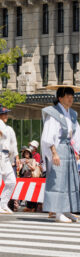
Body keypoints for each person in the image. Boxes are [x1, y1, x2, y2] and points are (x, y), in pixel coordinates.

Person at [41, 85, 80, 223]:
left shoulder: (72, 114)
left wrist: (78, 151)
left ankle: (66, 209)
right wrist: (54, 153)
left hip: (68, 149)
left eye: (72, 96)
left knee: (69, 181)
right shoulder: (53, 113)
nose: (71, 99)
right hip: (58, 148)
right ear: (60, 98)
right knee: (58, 181)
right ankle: (57, 212)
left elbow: (76, 135)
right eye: (68, 96)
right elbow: (48, 135)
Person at [0, 106, 19, 214]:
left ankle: (3, 203)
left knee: (12, 181)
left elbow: (13, 143)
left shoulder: (9, 128)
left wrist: (16, 156)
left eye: (6, 114)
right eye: (3, 114)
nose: (6, 116)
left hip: (6, 156)